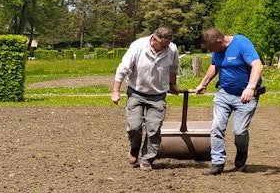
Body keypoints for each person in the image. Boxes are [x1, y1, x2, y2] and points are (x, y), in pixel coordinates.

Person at [193, 28, 263, 175]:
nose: (212, 52)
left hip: (245, 96)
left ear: (220, 42)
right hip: (224, 93)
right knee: (217, 126)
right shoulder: (217, 50)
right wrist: (203, 83)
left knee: (239, 131)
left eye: (212, 48)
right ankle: (217, 163)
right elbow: (215, 66)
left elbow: (257, 65)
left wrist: (250, 88)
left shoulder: (241, 43)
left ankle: (242, 150)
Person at [111, 26, 181, 170]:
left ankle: (147, 159)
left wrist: (172, 84)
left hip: (158, 96)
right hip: (136, 92)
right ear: (154, 40)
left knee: (154, 128)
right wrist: (116, 91)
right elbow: (122, 69)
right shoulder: (138, 47)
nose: (167, 47)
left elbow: (173, 67)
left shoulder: (172, 49)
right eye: (164, 44)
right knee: (134, 126)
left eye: (168, 44)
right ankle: (134, 148)